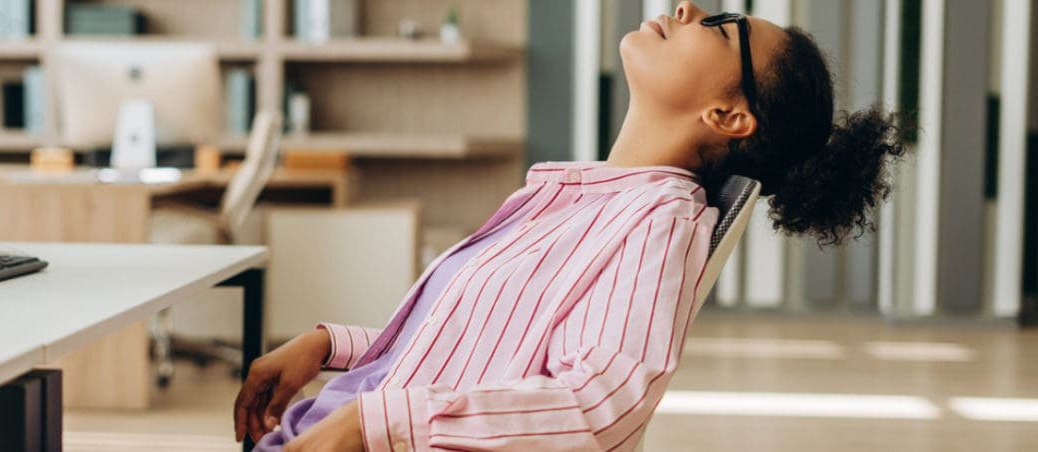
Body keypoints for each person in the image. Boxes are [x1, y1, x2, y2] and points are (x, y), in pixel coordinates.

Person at [234, 2, 907, 450]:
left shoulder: (657, 225)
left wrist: (370, 423)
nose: (688, 9)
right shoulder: (587, 201)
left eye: (722, 26)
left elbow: (599, 403)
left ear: (729, 118)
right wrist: (332, 346)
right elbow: (487, 339)